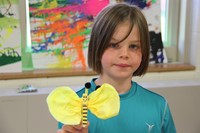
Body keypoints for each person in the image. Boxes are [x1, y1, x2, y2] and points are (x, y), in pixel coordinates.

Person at [57, 2, 176, 133]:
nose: (124, 54)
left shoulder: (158, 106)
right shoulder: (73, 106)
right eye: (114, 45)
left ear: (143, 51)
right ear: (97, 47)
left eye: (133, 46)